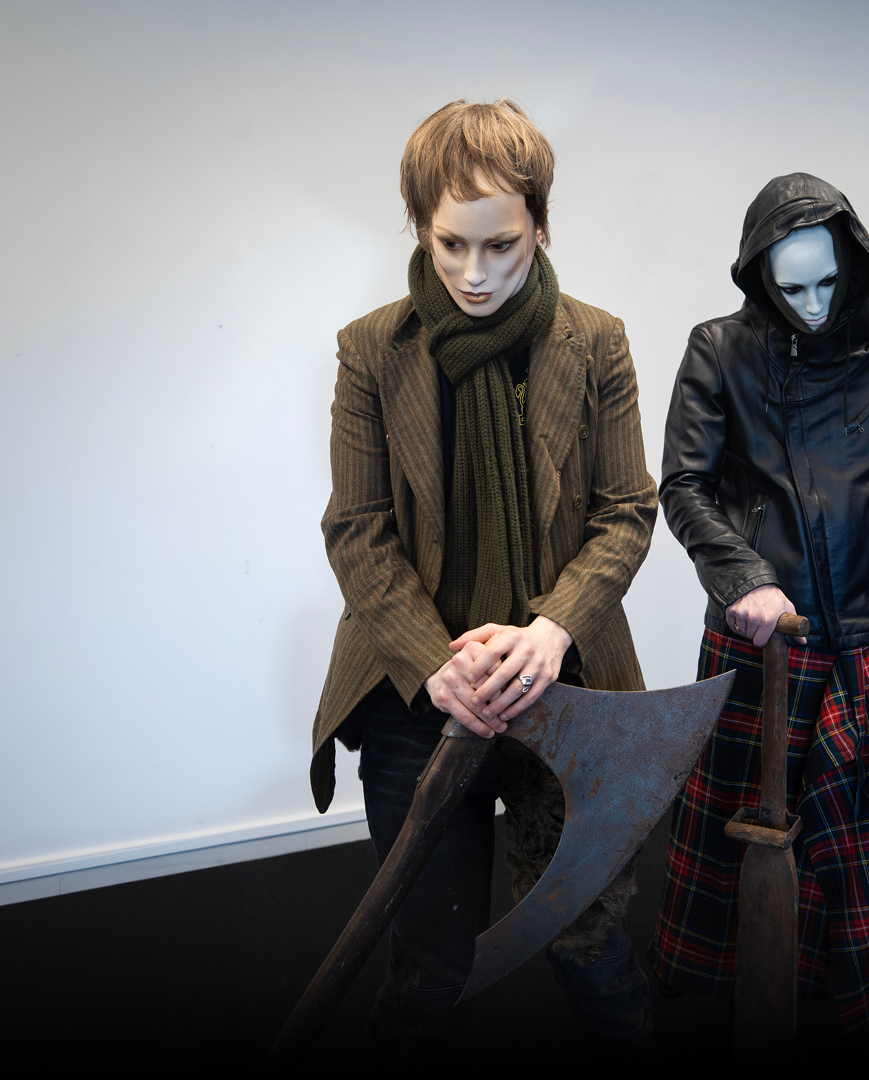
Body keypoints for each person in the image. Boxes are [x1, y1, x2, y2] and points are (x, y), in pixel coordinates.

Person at [308, 99, 658, 1054]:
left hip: (565, 680)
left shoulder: (597, 342)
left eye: (501, 244)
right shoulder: (370, 351)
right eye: (450, 245)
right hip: (415, 691)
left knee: (591, 949)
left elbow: (626, 511)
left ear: (539, 226)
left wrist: (550, 630)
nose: (474, 273)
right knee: (430, 971)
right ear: (420, 229)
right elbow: (358, 531)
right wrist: (438, 664)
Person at [653, 173, 869, 1036]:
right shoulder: (719, 349)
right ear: (759, 277)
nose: (815, 306)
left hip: (862, 631)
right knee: (741, 831)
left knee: (861, 840)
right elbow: (683, 486)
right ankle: (738, 988)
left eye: (828, 283)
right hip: (762, 638)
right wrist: (744, 579)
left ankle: (862, 990)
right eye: (792, 289)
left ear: (854, 266)